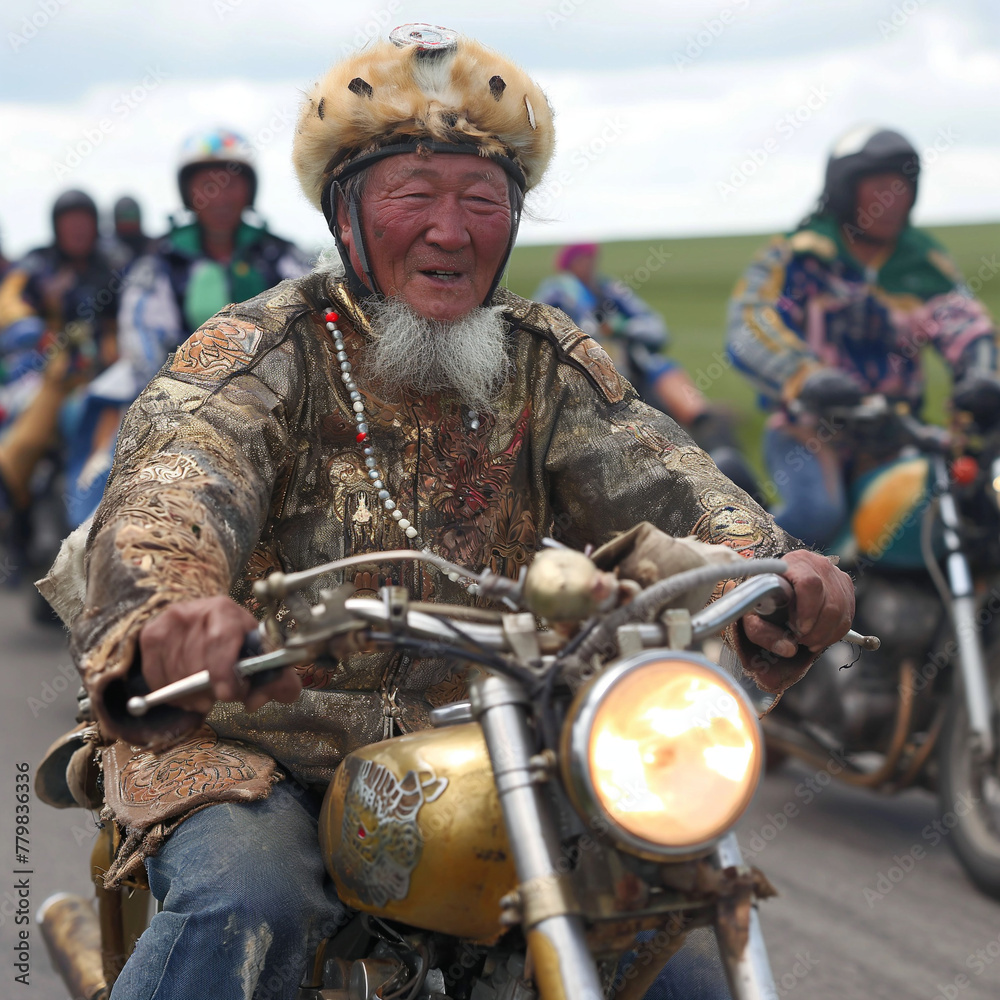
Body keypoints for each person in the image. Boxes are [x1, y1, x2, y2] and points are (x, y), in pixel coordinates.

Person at [54, 27, 854, 999]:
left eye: (480, 199)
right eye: (413, 195)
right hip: (267, 741)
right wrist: (175, 609)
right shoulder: (264, 348)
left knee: (668, 930)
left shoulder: (542, 360)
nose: (450, 228)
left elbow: (663, 467)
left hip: (495, 744)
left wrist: (771, 562)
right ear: (346, 212)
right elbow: (179, 475)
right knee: (244, 899)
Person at [727, 125, 999, 548]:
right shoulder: (799, 257)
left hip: (898, 433)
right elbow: (750, 324)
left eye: (903, 185)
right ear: (844, 189)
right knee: (814, 516)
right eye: (880, 185)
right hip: (811, 430)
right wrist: (806, 376)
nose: (894, 198)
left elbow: (963, 321)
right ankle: (751, 590)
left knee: (962, 514)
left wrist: (981, 371)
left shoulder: (923, 262)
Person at [66, 128, 312, 528]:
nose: (220, 195)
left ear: (248, 191)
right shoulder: (160, 263)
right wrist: (190, 397)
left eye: (231, 182)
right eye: (207, 185)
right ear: (189, 194)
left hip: (282, 398)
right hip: (175, 399)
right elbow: (142, 338)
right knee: (110, 488)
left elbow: (310, 320)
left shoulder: (283, 256)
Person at [536, 242, 764, 501]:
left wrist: (624, 327)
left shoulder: (610, 290)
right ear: (570, 263)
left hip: (635, 368)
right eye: (583, 259)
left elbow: (656, 330)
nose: (589, 264)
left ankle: (712, 437)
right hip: (588, 378)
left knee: (677, 387)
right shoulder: (556, 293)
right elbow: (542, 332)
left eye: (591, 258)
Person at [0, 190, 119, 561]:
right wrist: (30, 326)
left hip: (105, 379)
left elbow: (128, 317)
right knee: (24, 443)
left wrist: (112, 348)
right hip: (49, 375)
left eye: (84, 221)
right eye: (69, 222)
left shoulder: (113, 267)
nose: (77, 229)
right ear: (57, 226)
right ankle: (12, 499)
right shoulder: (38, 265)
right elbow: (11, 301)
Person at [110, 194, 152, 264]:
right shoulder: (108, 251)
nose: (128, 222)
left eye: (132, 216)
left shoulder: (151, 247)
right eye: (123, 218)